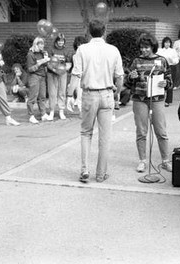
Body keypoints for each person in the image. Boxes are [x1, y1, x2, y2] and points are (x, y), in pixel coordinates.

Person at [71, 19, 124, 183]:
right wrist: (117, 93)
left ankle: (84, 169)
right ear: (105, 31)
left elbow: (76, 75)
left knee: (86, 133)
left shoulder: (82, 49)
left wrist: (70, 96)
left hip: (89, 94)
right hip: (107, 93)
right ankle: (100, 174)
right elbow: (120, 77)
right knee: (105, 137)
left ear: (89, 31)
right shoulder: (113, 50)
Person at [128, 32, 173, 173]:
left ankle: (165, 160)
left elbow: (170, 81)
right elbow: (128, 82)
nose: (144, 50)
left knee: (161, 131)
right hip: (139, 100)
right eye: (142, 47)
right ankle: (142, 161)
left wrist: (166, 83)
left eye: (146, 47)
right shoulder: (136, 61)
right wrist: (131, 77)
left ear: (153, 46)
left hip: (157, 100)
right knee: (141, 131)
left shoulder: (162, 60)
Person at [46, 33, 72, 120]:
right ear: (56, 41)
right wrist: (54, 70)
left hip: (62, 74)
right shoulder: (51, 50)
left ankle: (61, 111)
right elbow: (48, 62)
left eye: (62, 41)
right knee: (52, 92)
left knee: (62, 92)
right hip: (52, 73)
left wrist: (65, 69)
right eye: (59, 41)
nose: (60, 42)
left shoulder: (66, 50)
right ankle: (52, 111)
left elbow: (69, 63)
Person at [26, 36, 51, 124]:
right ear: (35, 44)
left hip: (42, 76)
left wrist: (46, 59)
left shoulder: (42, 53)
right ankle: (31, 116)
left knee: (42, 97)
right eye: (40, 44)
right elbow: (30, 69)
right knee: (33, 97)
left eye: (42, 44)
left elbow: (45, 65)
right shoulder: (30, 54)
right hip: (34, 77)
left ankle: (43, 114)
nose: (42, 46)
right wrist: (40, 62)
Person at [66, 36, 87, 113]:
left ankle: (83, 109)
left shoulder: (87, 56)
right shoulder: (74, 56)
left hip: (85, 77)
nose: (79, 46)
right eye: (78, 44)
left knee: (82, 94)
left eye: (81, 44)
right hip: (76, 77)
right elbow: (73, 68)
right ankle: (80, 109)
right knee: (79, 93)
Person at [157, 36, 179, 106]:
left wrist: (171, 59)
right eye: (166, 42)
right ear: (163, 43)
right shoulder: (160, 50)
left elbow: (176, 60)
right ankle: (159, 98)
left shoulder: (173, 51)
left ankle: (168, 101)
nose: (167, 44)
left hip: (171, 67)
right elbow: (157, 58)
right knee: (160, 82)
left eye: (169, 43)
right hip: (161, 67)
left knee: (170, 83)